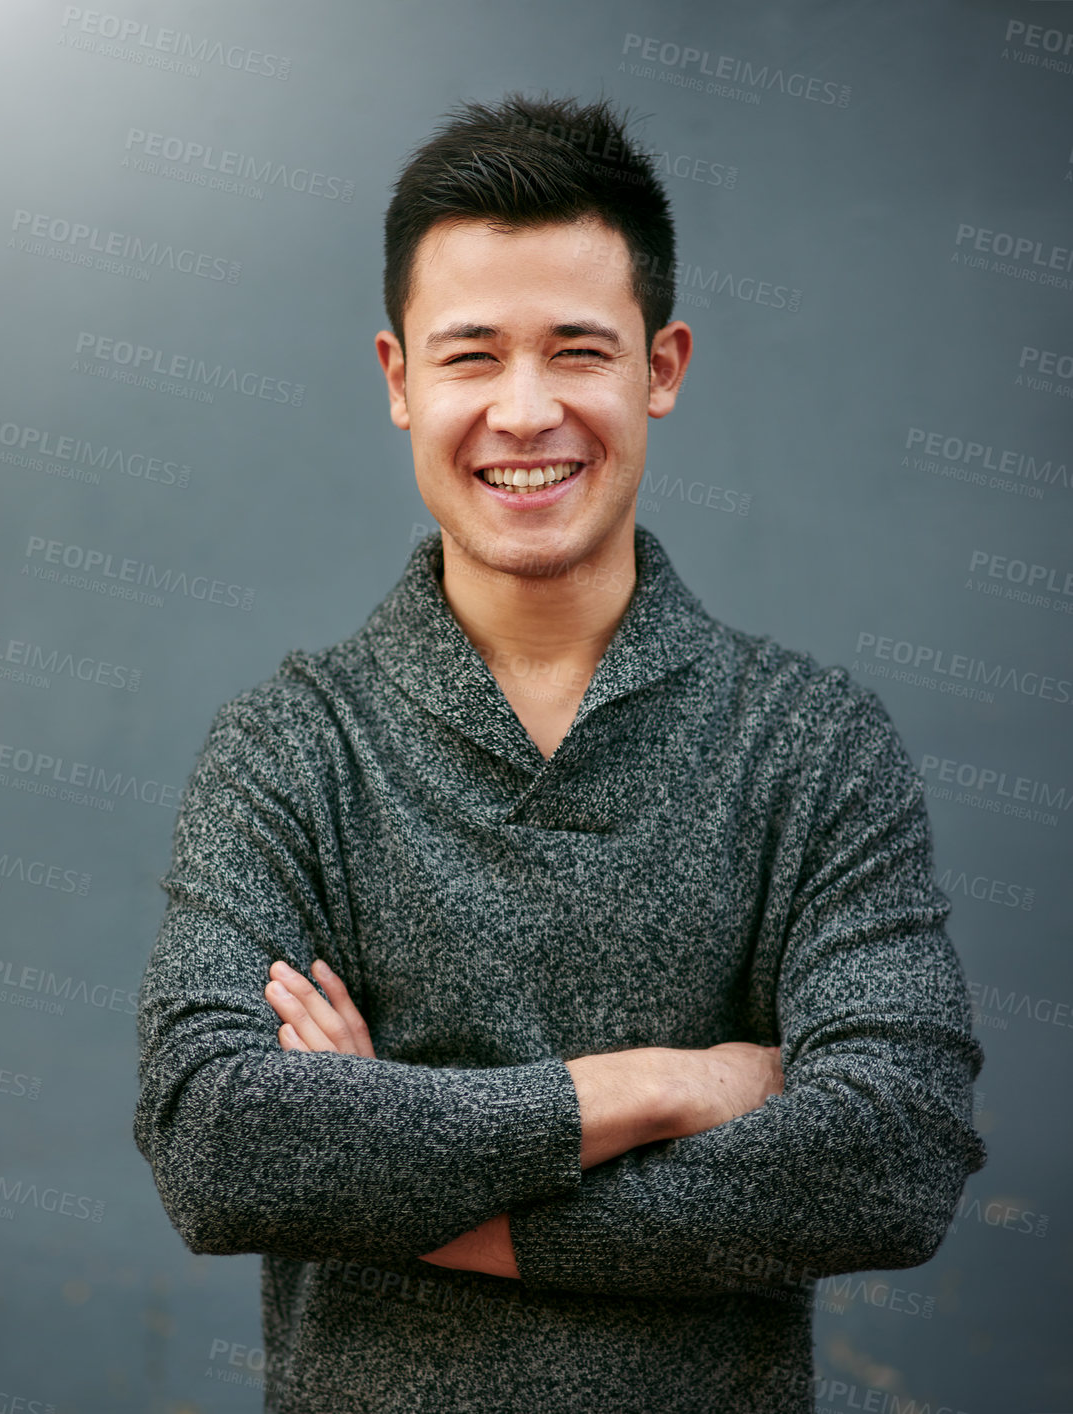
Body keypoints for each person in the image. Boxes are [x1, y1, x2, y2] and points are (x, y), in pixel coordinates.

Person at [133, 92, 986, 1414]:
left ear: (661, 365)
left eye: (576, 349)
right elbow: (217, 1144)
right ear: (397, 380)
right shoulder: (288, 746)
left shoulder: (812, 743)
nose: (524, 413)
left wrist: (411, 1177)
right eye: (470, 356)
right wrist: (660, 1083)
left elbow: (890, 1154)